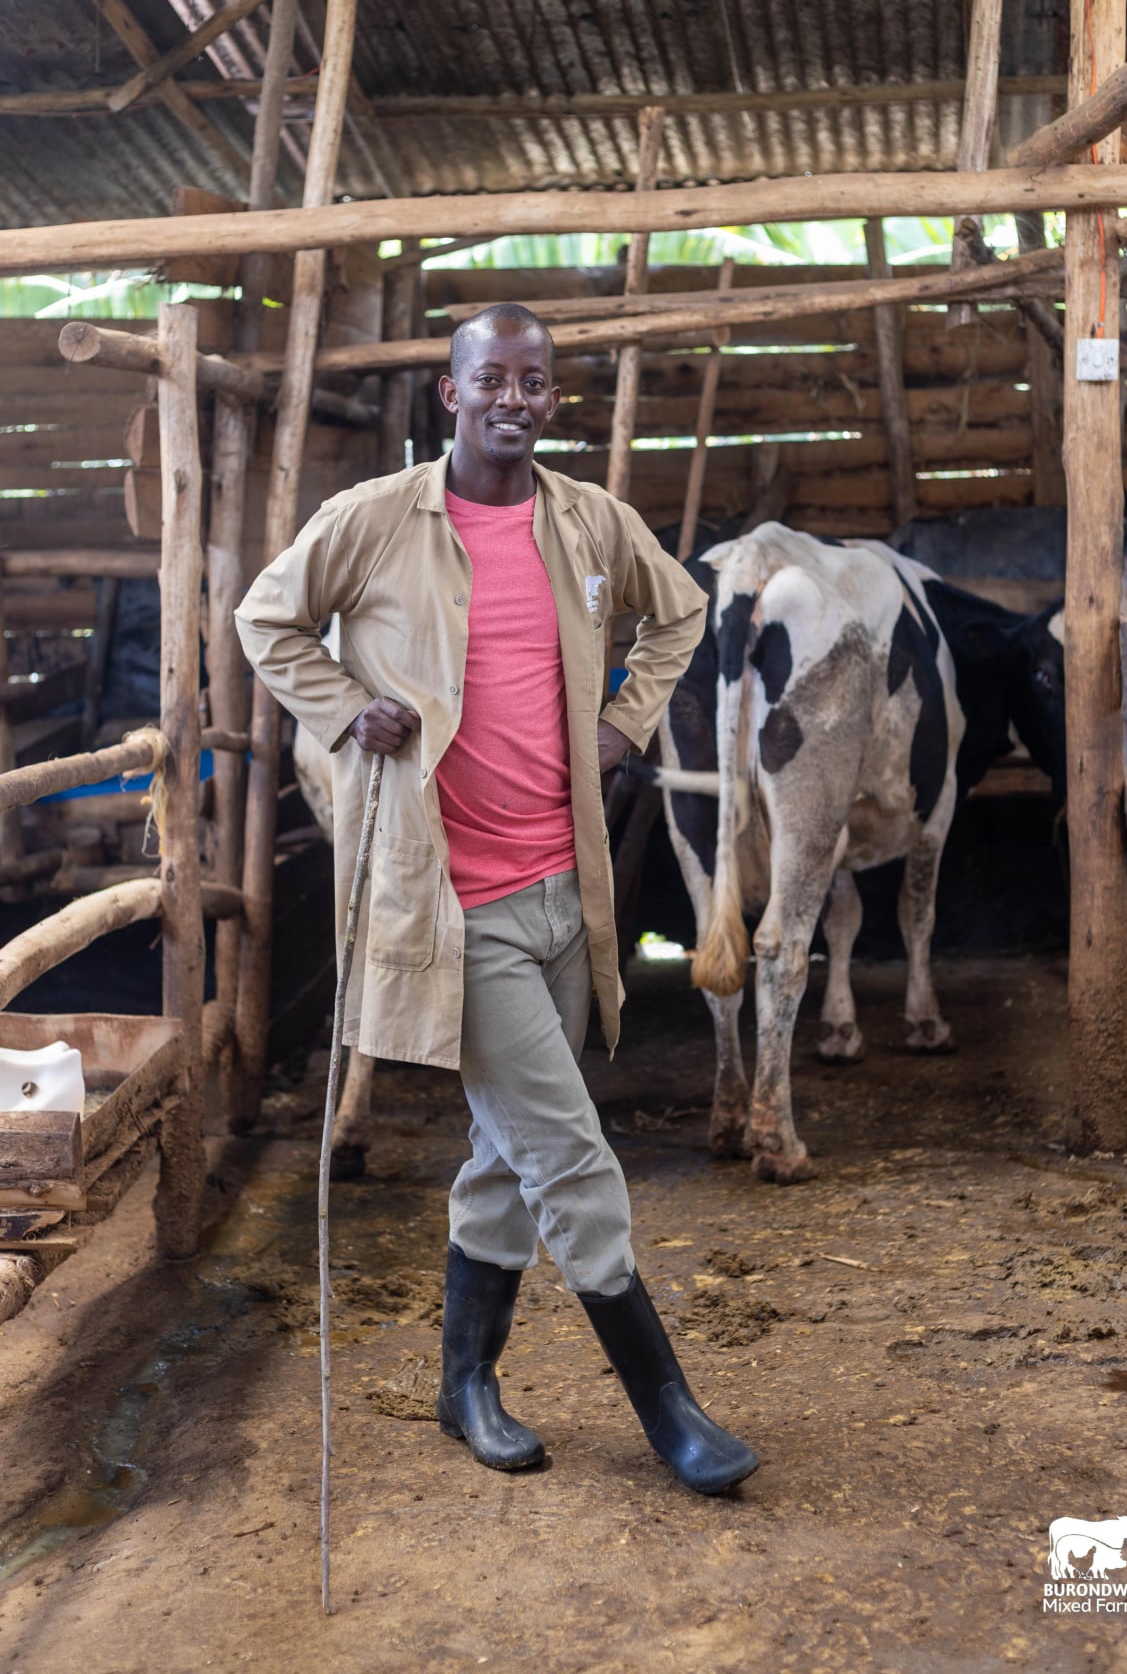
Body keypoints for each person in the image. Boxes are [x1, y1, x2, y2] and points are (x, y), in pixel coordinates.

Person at [235, 302, 758, 1497]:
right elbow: (267, 618)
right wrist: (341, 708)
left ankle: (464, 1380)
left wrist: (626, 723)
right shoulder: (373, 522)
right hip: (450, 907)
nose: (514, 399)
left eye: (535, 382)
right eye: (493, 380)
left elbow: (678, 611)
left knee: (501, 1148)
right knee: (571, 1158)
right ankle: (670, 1409)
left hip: (562, 893)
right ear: (451, 395)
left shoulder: (587, 520)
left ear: (551, 401)